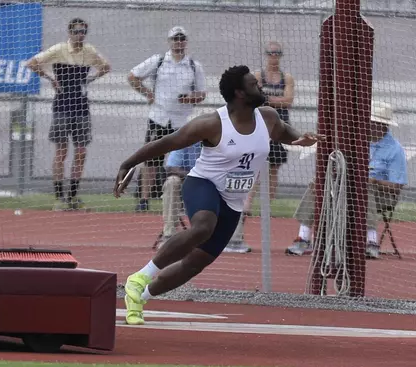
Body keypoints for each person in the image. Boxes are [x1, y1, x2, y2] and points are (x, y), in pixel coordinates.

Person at [114, 65, 323, 325]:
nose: (260, 87)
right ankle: (140, 276)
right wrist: (127, 164)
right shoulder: (212, 124)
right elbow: (166, 143)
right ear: (239, 94)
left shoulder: (267, 117)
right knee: (203, 227)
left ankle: (139, 296)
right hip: (203, 183)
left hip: (233, 200)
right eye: (253, 84)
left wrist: (299, 139)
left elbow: (283, 132)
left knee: (195, 263)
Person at [285, 101, 407, 259]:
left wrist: (374, 181)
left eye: (372, 122)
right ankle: (303, 237)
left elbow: (396, 187)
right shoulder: (354, 141)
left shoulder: (395, 149)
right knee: (319, 181)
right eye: (367, 121)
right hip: (348, 187)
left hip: (382, 195)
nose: (368, 125)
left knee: (365, 186)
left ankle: (371, 242)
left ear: (383, 125)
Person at [27, 18, 111, 211]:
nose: (80, 35)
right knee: (61, 151)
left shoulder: (89, 51)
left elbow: (106, 67)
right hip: (62, 106)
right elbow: (31, 63)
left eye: (83, 32)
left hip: (81, 107)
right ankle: (59, 197)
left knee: (81, 152)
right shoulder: (58, 50)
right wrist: (50, 78)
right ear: (70, 33)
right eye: (76, 32)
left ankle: (73, 196)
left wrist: (91, 78)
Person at [225, 41, 296, 254]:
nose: (273, 56)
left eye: (277, 53)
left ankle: (269, 204)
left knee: (274, 167)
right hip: (260, 125)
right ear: (266, 55)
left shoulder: (287, 78)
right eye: (270, 53)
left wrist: (270, 99)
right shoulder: (257, 76)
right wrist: (273, 100)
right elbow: (254, 98)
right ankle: (245, 208)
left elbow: (288, 101)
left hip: (279, 124)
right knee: (254, 168)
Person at [128, 26, 207, 213]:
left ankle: (183, 201)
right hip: (159, 117)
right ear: (169, 41)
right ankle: (144, 199)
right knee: (151, 159)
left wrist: (189, 98)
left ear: (186, 41)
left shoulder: (194, 66)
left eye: (181, 39)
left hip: (182, 121)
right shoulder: (159, 61)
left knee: (182, 163)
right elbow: (132, 76)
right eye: (175, 39)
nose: (178, 42)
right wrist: (148, 94)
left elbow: (202, 93)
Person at [156, 141, 203, 249]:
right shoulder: (185, 141)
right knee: (172, 181)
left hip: (209, 183)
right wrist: (194, 176)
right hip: (188, 180)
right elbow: (171, 168)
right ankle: (169, 235)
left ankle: (231, 239)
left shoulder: (217, 142)